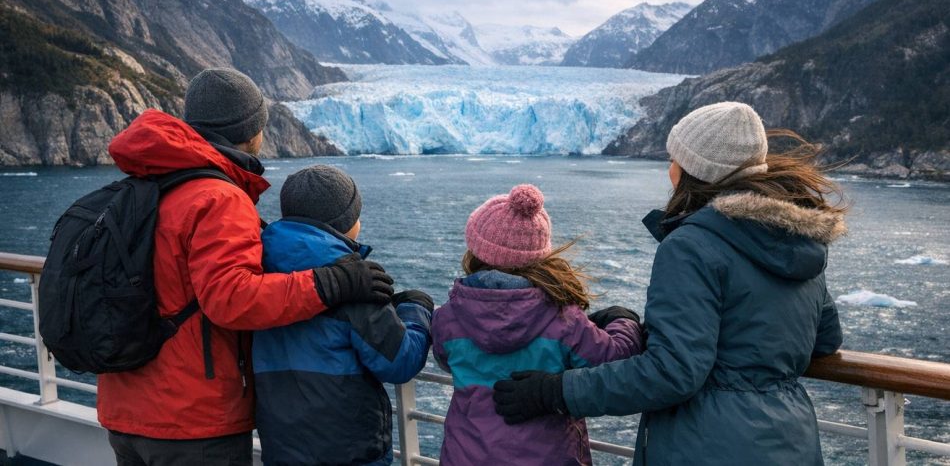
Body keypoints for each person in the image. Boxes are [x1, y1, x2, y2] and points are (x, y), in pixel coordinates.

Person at [493, 102, 845, 465]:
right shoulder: (796, 238)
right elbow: (826, 339)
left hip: (708, 446)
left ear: (695, 171)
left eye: (675, 158)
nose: (669, 169)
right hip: (790, 442)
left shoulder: (692, 245)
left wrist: (555, 391)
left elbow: (673, 371)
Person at [101, 68, 394, 466]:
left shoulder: (145, 183)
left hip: (127, 404)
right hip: (190, 416)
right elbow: (231, 299)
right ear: (251, 130)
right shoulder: (218, 196)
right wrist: (333, 283)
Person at [433, 184, 644, 466]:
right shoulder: (563, 318)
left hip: (466, 456)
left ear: (475, 251)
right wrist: (624, 320)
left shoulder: (448, 317)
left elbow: (446, 360)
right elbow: (614, 357)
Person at [254, 165, 433, 465]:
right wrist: (418, 308)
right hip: (348, 451)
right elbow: (399, 361)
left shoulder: (259, 269)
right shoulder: (352, 282)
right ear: (346, 223)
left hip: (281, 446)